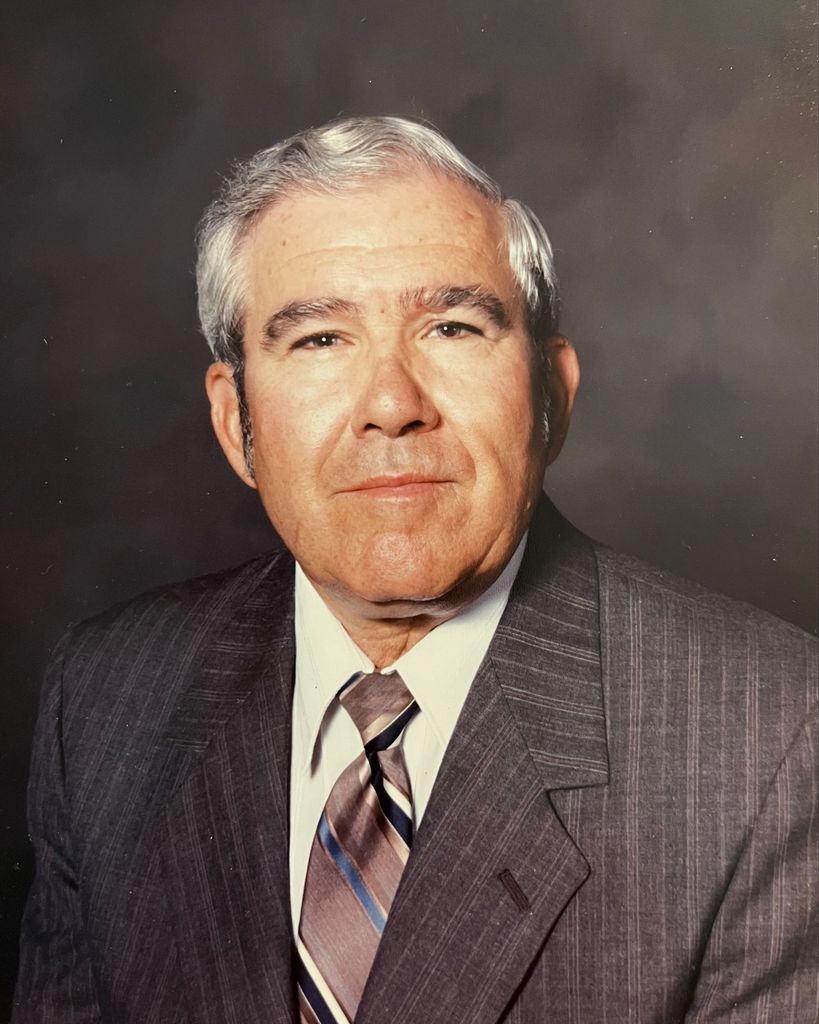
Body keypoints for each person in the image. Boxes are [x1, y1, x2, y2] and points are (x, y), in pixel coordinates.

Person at [13, 116, 817, 1024]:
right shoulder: (105, 698)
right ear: (236, 423)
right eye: (320, 339)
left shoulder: (769, 735)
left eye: (452, 326)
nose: (392, 405)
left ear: (550, 399)